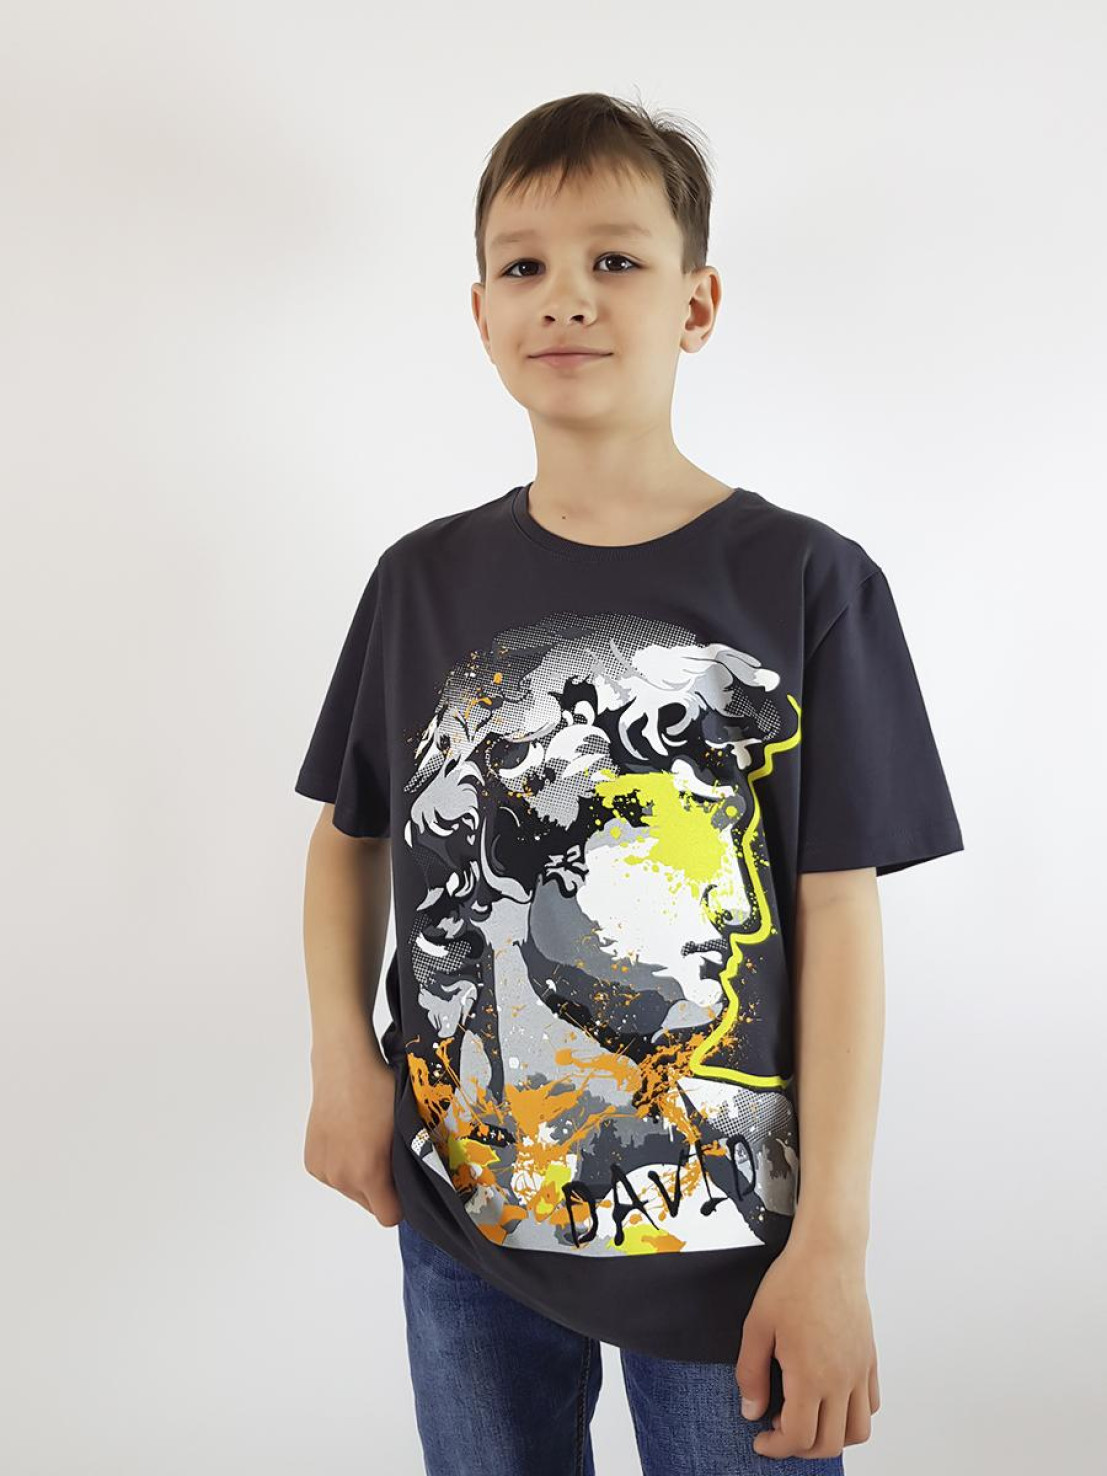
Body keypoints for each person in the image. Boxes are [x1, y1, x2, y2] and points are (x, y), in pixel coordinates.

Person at [295, 91, 964, 1475]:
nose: (567, 297)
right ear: (479, 312)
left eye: (616, 259)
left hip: (737, 1249)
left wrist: (832, 1246)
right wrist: (342, 1064)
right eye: (524, 265)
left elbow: (837, 914)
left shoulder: (809, 581)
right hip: (466, 1218)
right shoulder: (421, 582)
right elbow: (349, 836)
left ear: (696, 303)